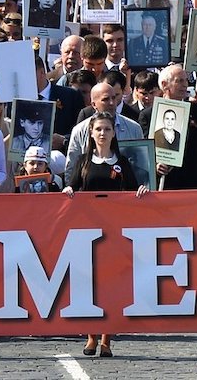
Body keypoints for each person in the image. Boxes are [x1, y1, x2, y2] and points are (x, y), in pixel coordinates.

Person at [63, 111, 149, 357]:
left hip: (114, 233)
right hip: (87, 232)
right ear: (91, 132)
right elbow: (73, 186)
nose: (103, 133)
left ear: (114, 133)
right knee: (88, 285)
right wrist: (69, 189)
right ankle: (91, 336)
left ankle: (106, 339)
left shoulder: (122, 163)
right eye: (98, 129)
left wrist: (141, 191)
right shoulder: (83, 161)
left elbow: (133, 191)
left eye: (107, 129)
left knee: (111, 285)